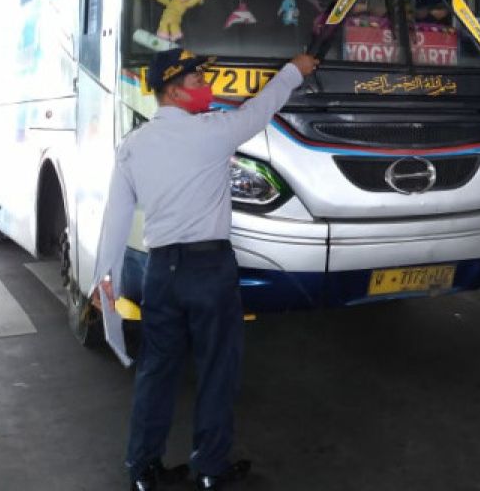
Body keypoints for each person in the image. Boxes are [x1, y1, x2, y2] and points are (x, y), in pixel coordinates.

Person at [90, 48, 319, 491]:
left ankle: (143, 470)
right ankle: (210, 468)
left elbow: (115, 217)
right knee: (217, 368)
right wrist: (296, 70)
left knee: (157, 369)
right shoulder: (212, 133)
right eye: (197, 81)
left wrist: (105, 277)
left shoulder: (133, 146)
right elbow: (262, 107)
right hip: (209, 270)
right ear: (173, 92)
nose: (207, 88)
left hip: (161, 271)